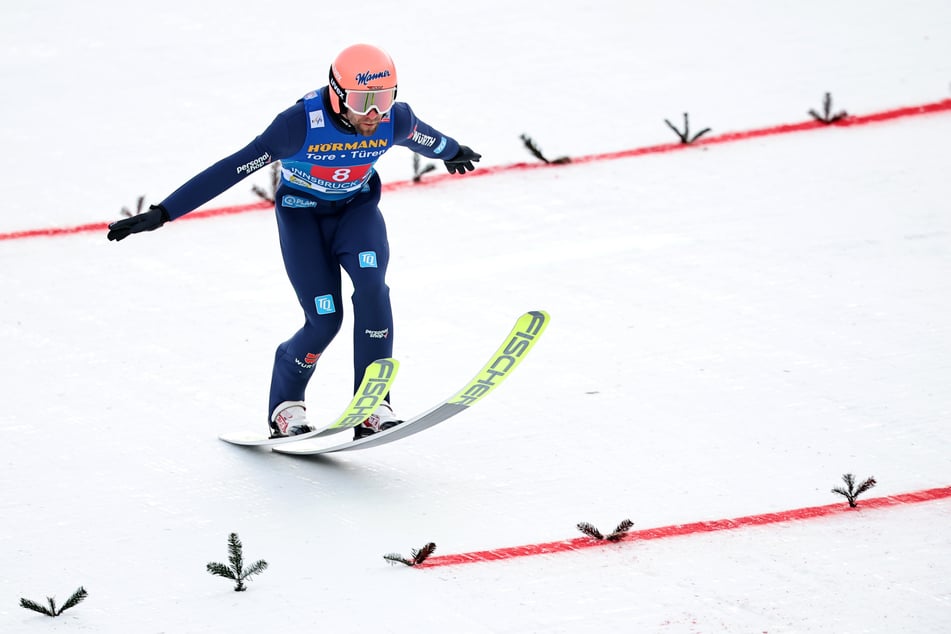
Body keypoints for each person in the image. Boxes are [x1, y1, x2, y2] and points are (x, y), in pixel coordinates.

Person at [107, 43, 481, 439]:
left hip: (356, 214)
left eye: (385, 100)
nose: (374, 113)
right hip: (303, 220)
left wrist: (453, 151)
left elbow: (428, 140)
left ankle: (372, 405)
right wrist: (165, 212)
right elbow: (231, 169)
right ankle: (286, 406)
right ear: (336, 96)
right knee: (325, 320)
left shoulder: (396, 120)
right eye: (361, 101)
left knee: (373, 289)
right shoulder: (296, 126)